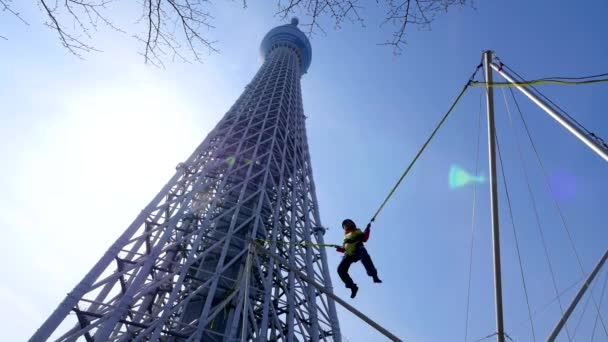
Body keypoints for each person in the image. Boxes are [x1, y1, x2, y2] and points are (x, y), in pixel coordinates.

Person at [336, 219, 382, 298]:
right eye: (345, 225)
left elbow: (364, 238)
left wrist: (367, 228)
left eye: (348, 223)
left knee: (365, 257)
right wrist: (338, 248)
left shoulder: (356, 231)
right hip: (349, 255)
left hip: (358, 249)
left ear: (352, 224)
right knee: (340, 270)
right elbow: (344, 249)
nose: (347, 225)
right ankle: (353, 287)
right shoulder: (345, 237)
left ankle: (373, 274)